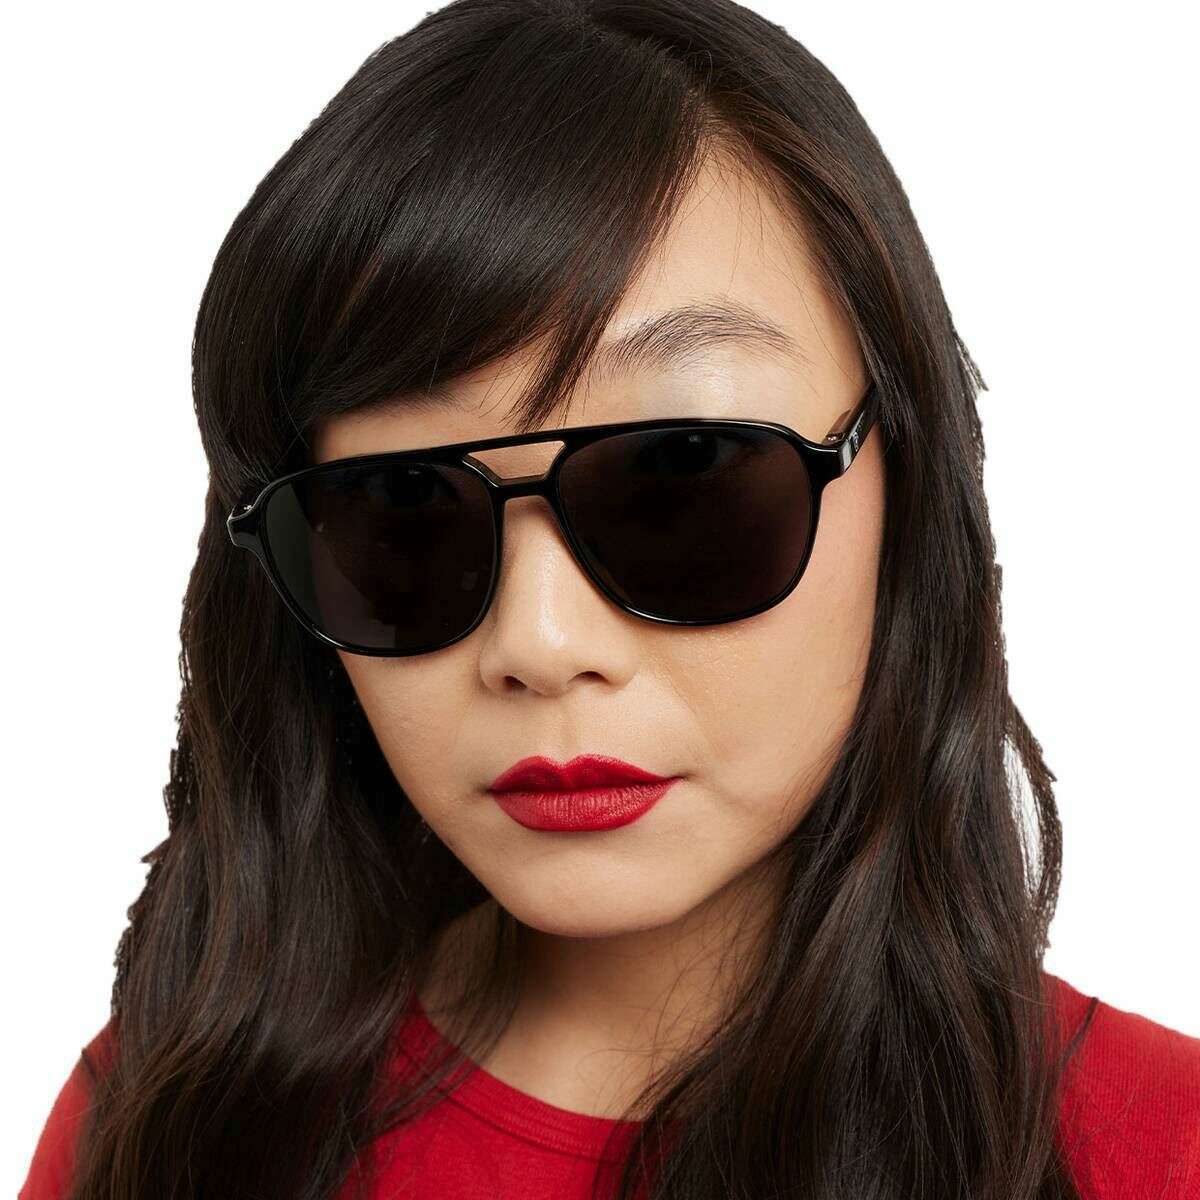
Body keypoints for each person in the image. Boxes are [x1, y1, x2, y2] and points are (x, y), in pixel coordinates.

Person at [20, 1, 1199, 1197]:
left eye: (684, 475)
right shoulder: (169, 1129)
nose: (538, 643)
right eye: (402, 509)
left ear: (908, 484)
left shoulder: (1165, 1149)